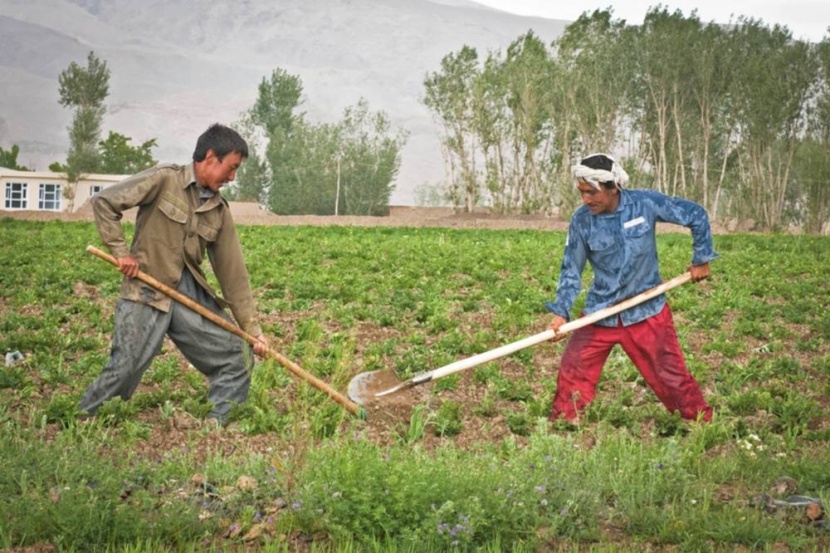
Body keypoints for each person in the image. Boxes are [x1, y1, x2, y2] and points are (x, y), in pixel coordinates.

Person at [79, 123, 270, 425]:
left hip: (186, 295)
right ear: (210, 157)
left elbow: (233, 276)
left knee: (237, 354)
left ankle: (216, 424)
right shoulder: (164, 179)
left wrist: (253, 330)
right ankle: (82, 419)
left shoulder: (219, 211)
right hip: (146, 288)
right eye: (231, 168)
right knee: (126, 366)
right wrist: (120, 253)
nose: (233, 177)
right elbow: (105, 202)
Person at [546, 153, 715, 423]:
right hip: (601, 313)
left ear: (613, 188)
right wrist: (561, 313)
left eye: (592, 192)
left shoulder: (644, 204)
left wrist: (701, 258)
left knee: (671, 375)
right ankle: (565, 427)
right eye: (581, 192)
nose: (585, 200)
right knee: (573, 370)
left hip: (647, 311)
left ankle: (700, 424)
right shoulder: (582, 221)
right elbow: (571, 270)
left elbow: (695, 214)